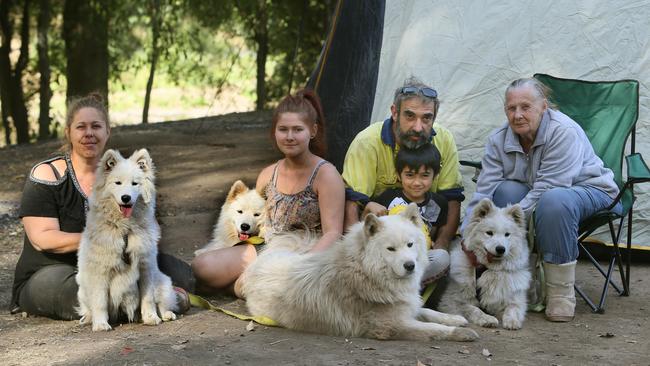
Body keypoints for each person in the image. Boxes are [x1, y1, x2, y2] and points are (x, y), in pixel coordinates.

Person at [10, 93, 193, 320]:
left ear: (108, 132)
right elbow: (43, 239)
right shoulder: (47, 173)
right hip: (52, 269)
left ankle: (155, 298)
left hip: (119, 263)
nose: (89, 133)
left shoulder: (125, 172)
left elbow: (150, 228)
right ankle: (162, 301)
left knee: (182, 273)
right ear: (68, 132)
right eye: (81, 127)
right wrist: (103, 238)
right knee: (76, 293)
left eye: (96, 126)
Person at [462, 78, 622, 322]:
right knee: (505, 192)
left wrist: (508, 221)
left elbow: (548, 188)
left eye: (525, 107)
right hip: (540, 194)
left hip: (592, 191)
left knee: (553, 201)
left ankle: (560, 293)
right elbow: (485, 192)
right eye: (511, 108)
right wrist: (467, 235)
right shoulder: (498, 140)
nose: (517, 115)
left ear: (544, 107)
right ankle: (522, 281)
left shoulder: (563, 132)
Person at [192, 89, 345, 297]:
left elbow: (333, 233)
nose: (290, 137)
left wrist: (301, 264)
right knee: (202, 266)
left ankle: (239, 287)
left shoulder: (326, 175)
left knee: (256, 283)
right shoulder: (268, 174)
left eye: (298, 130)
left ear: (313, 131)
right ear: (275, 131)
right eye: (283, 129)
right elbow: (259, 225)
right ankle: (242, 286)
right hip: (266, 247)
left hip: (303, 251)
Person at [342, 77, 464, 284]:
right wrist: (354, 252)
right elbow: (351, 202)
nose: (418, 127)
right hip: (381, 249)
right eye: (409, 116)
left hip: (422, 247)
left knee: (447, 258)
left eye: (427, 118)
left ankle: (399, 292)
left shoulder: (444, 139)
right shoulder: (367, 142)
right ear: (394, 112)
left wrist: (441, 242)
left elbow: (452, 198)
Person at [373, 144, 448, 249]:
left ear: (435, 176)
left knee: (442, 257)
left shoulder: (439, 203)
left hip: (423, 252)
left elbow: (434, 233)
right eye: (410, 175)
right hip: (393, 252)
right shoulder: (388, 198)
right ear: (399, 175)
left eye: (425, 175)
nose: (417, 182)